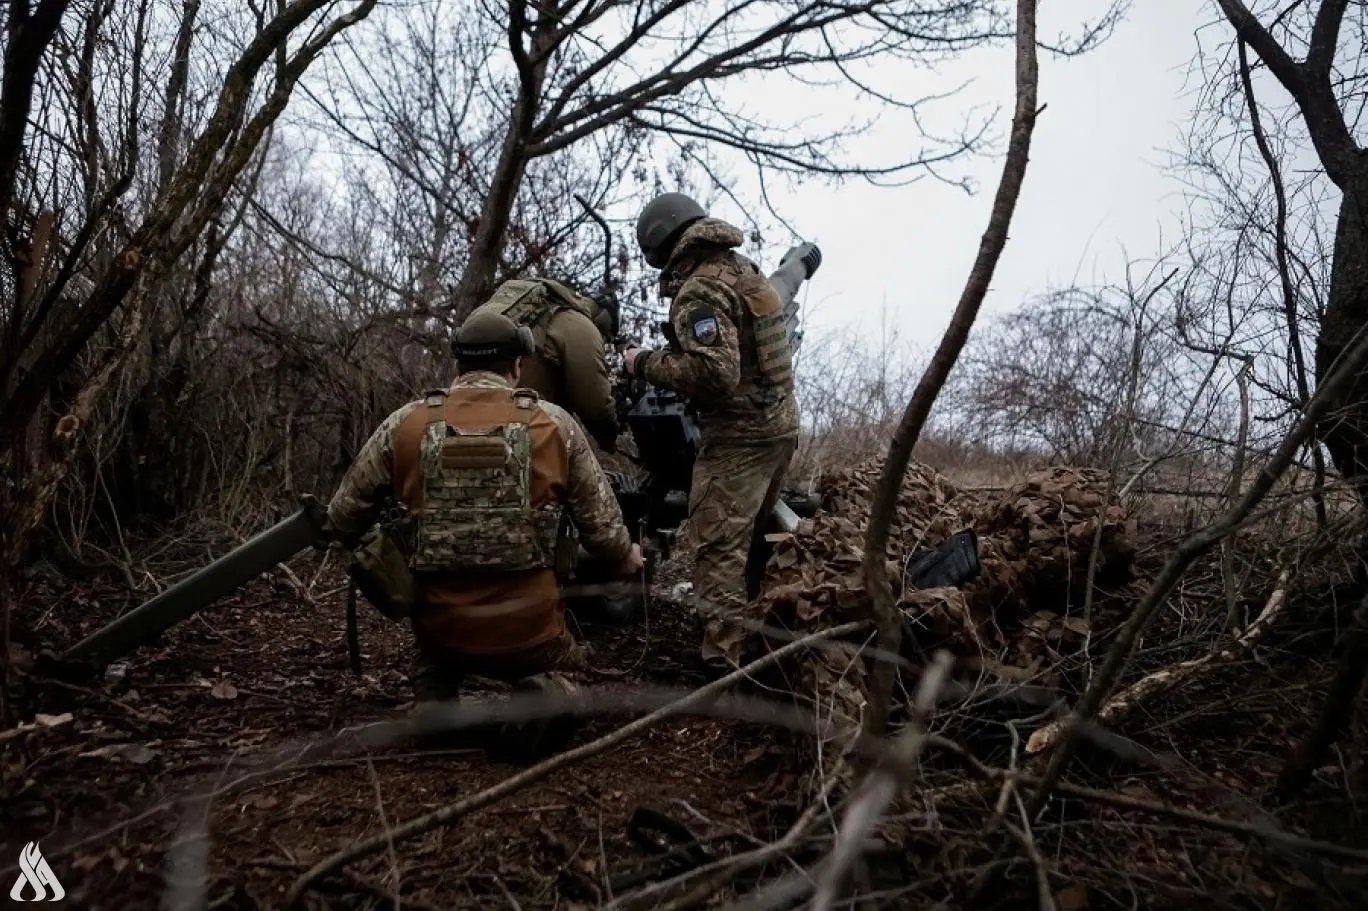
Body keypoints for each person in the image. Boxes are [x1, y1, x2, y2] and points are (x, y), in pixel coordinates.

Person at [325, 308, 643, 754]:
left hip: (441, 628)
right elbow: (606, 537)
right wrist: (629, 557)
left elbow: (341, 519)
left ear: (459, 366)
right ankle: (549, 694)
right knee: (581, 672)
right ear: (517, 366)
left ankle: (437, 699)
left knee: (434, 657)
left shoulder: (407, 423)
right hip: (531, 633)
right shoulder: (553, 424)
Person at [622, 192, 819, 673]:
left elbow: (716, 375)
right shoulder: (742, 271)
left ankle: (723, 661)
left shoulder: (699, 290)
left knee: (716, 547)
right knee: (751, 537)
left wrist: (642, 362)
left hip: (739, 439)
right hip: (777, 428)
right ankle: (762, 637)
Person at [467, 278, 622, 453]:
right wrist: (612, 438)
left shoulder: (536, 312)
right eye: (607, 338)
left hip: (466, 416)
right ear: (604, 320)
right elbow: (595, 405)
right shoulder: (580, 325)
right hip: (525, 432)